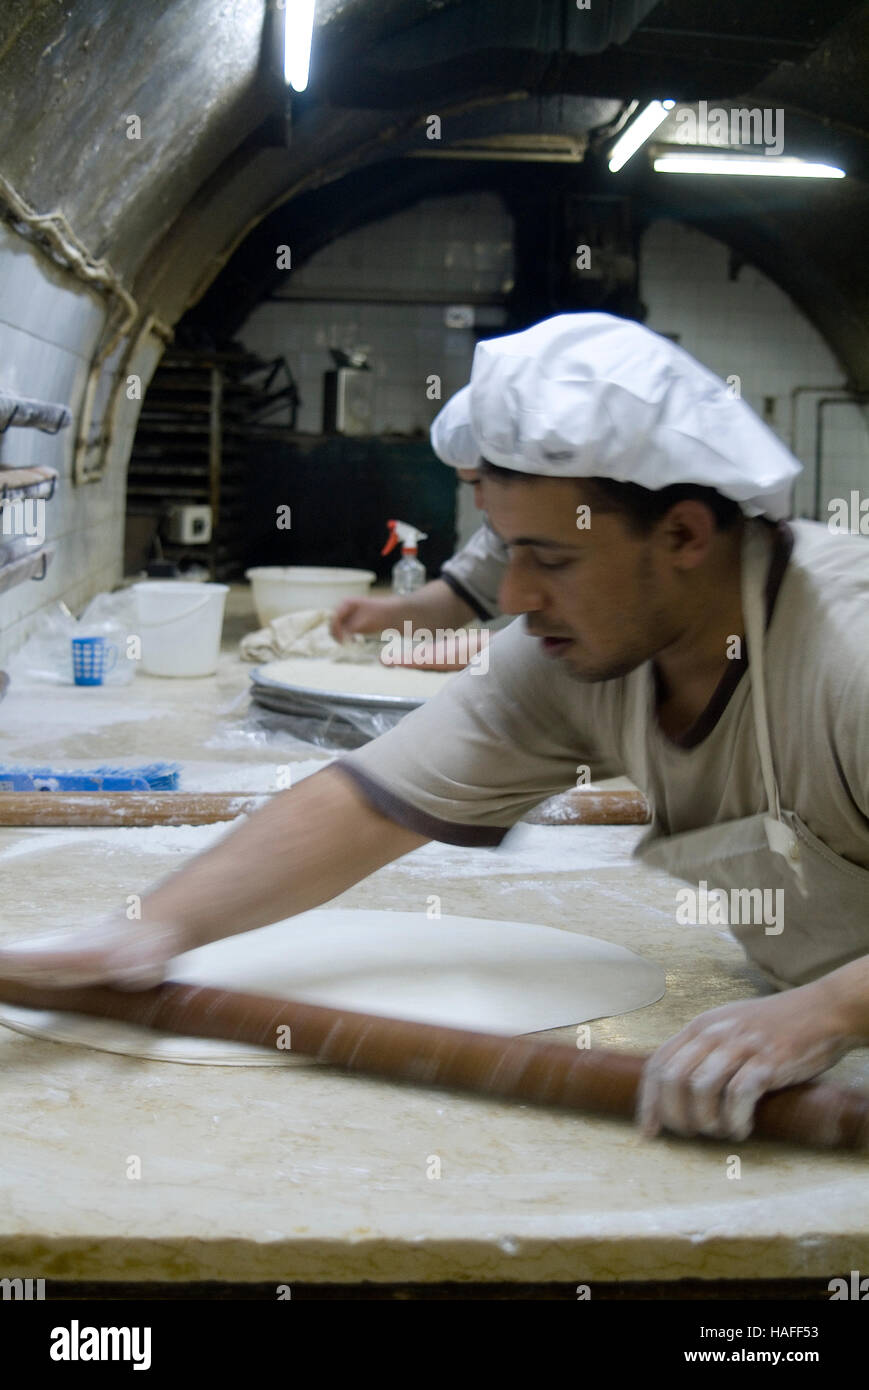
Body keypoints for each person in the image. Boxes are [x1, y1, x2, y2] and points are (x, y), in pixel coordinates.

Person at [3, 312, 868, 1144]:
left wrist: (827, 1009)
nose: (519, 597)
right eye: (507, 550)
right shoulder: (578, 655)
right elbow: (368, 801)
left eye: (553, 559)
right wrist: (150, 928)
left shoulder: (845, 654)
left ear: (682, 532)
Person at [330, 386, 508, 648]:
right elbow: (461, 595)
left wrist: (485, 648)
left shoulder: (578, 524)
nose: (478, 502)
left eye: (482, 482)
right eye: (470, 486)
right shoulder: (505, 532)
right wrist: (386, 614)